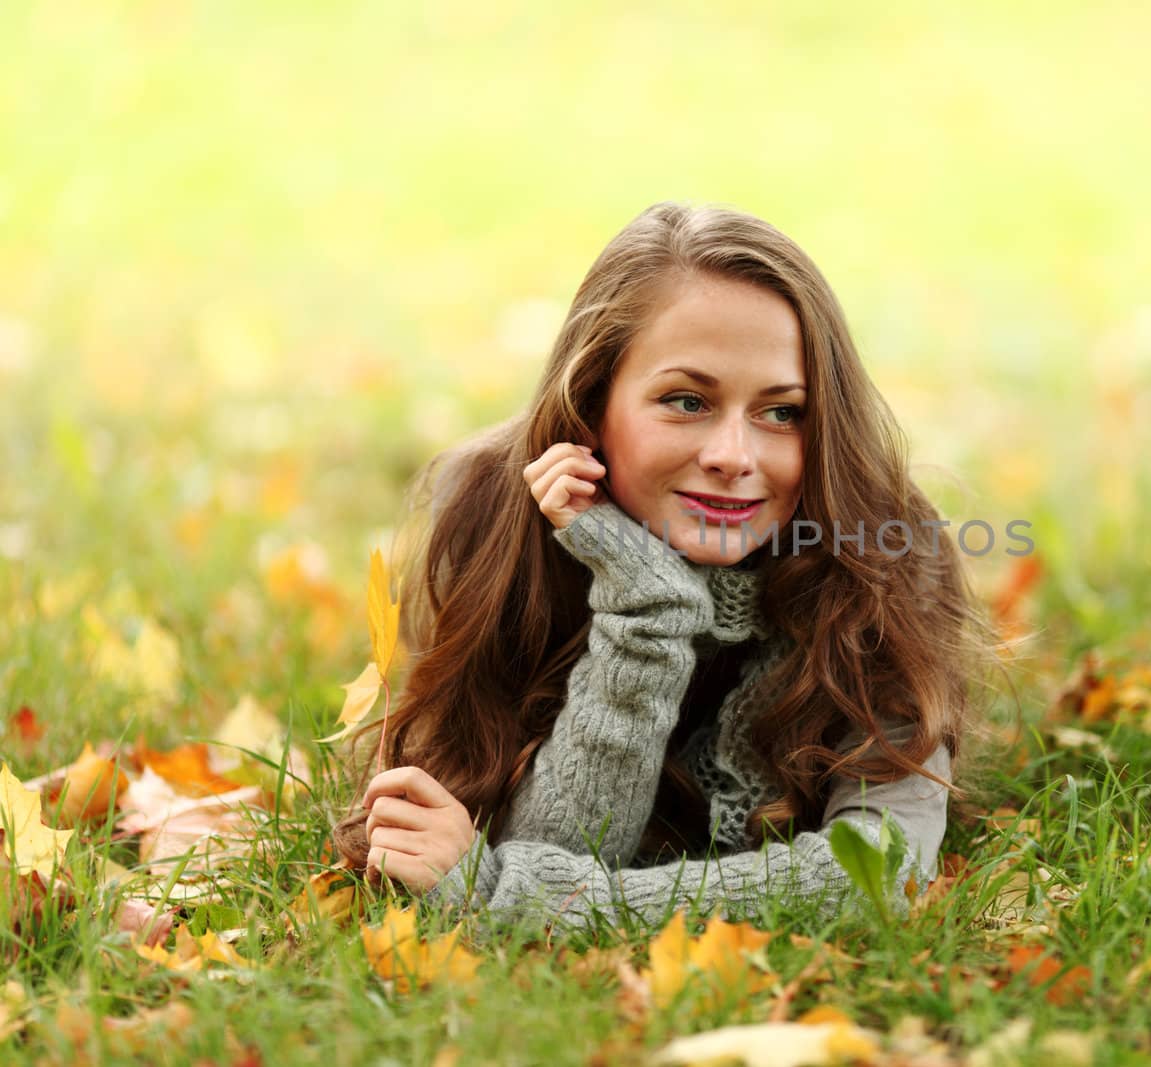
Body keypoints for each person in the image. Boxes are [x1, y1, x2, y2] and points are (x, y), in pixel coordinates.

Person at [332, 201, 1004, 934]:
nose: (733, 455)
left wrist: (528, 898)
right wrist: (643, 607)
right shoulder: (492, 516)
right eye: (686, 401)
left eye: (782, 412)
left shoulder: (885, 556)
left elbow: (876, 871)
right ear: (591, 402)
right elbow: (547, 848)